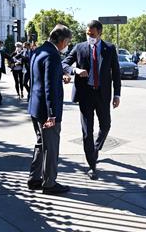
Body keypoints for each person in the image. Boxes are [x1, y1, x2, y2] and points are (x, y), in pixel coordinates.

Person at [62, 20, 121, 180]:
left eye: (92, 34)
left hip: (103, 95)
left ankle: (95, 150)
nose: (89, 37)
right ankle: (91, 166)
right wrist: (75, 70)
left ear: (100, 33)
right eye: (87, 34)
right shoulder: (80, 47)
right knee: (87, 132)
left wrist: (117, 95)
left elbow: (115, 73)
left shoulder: (110, 49)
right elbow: (65, 63)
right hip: (85, 95)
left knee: (106, 126)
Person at [27, 24, 72, 195]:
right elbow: (50, 88)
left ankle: (34, 179)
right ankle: (49, 183)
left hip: (35, 107)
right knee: (51, 147)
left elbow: (39, 77)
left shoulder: (39, 51)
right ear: (62, 40)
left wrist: (60, 76)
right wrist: (52, 114)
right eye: (68, 41)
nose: (67, 45)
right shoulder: (53, 55)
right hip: (47, 111)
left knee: (40, 144)